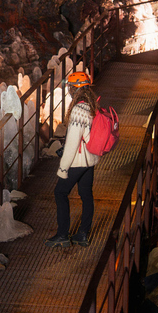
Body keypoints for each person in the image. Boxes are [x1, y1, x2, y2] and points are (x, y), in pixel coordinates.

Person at [46, 71, 100, 248]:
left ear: (74, 89)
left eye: (69, 87)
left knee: (60, 193)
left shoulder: (78, 110)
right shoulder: (92, 105)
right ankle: (82, 234)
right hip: (90, 160)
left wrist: (63, 168)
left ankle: (63, 234)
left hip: (78, 161)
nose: (68, 90)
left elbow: (72, 144)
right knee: (86, 195)